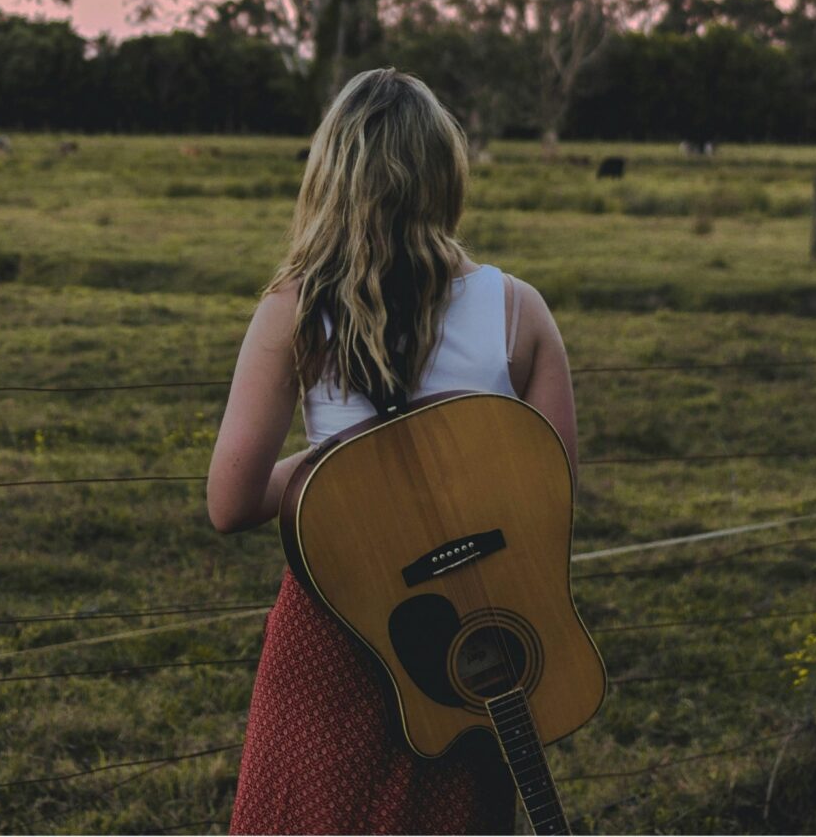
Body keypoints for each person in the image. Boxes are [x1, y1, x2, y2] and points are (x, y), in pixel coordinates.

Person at [207, 67, 579, 835]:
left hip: (336, 625)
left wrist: (344, 467)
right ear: (445, 175)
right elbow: (553, 499)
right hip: (470, 641)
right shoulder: (518, 311)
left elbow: (231, 501)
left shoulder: (296, 309)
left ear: (330, 176)